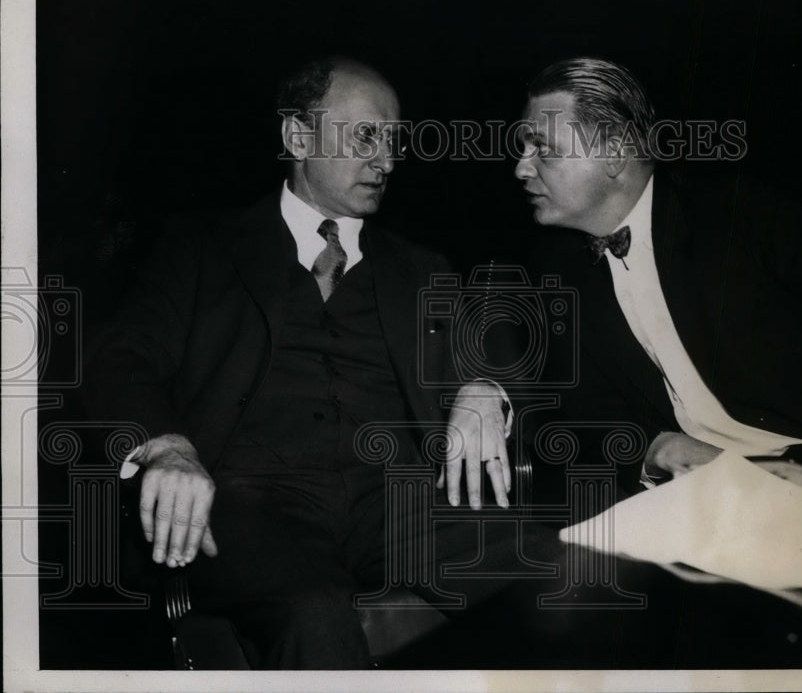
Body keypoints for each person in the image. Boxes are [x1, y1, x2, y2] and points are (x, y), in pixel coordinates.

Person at [83, 56, 535, 669]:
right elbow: (120, 354)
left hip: (397, 502)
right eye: (368, 135)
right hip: (254, 509)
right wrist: (165, 446)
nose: (388, 159)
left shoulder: (420, 267)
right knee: (315, 613)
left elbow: (501, 349)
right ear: (298, 137)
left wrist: (485, 386)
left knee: (555, 577)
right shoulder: (201, 247)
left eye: (395, 140)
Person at [512, 57, 802, 502]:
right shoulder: (558, 266)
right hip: (700, 497)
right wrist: (656, 447)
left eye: (542, 149)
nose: (521, 169)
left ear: (614, 152)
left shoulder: (734, 213)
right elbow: (583, 407)